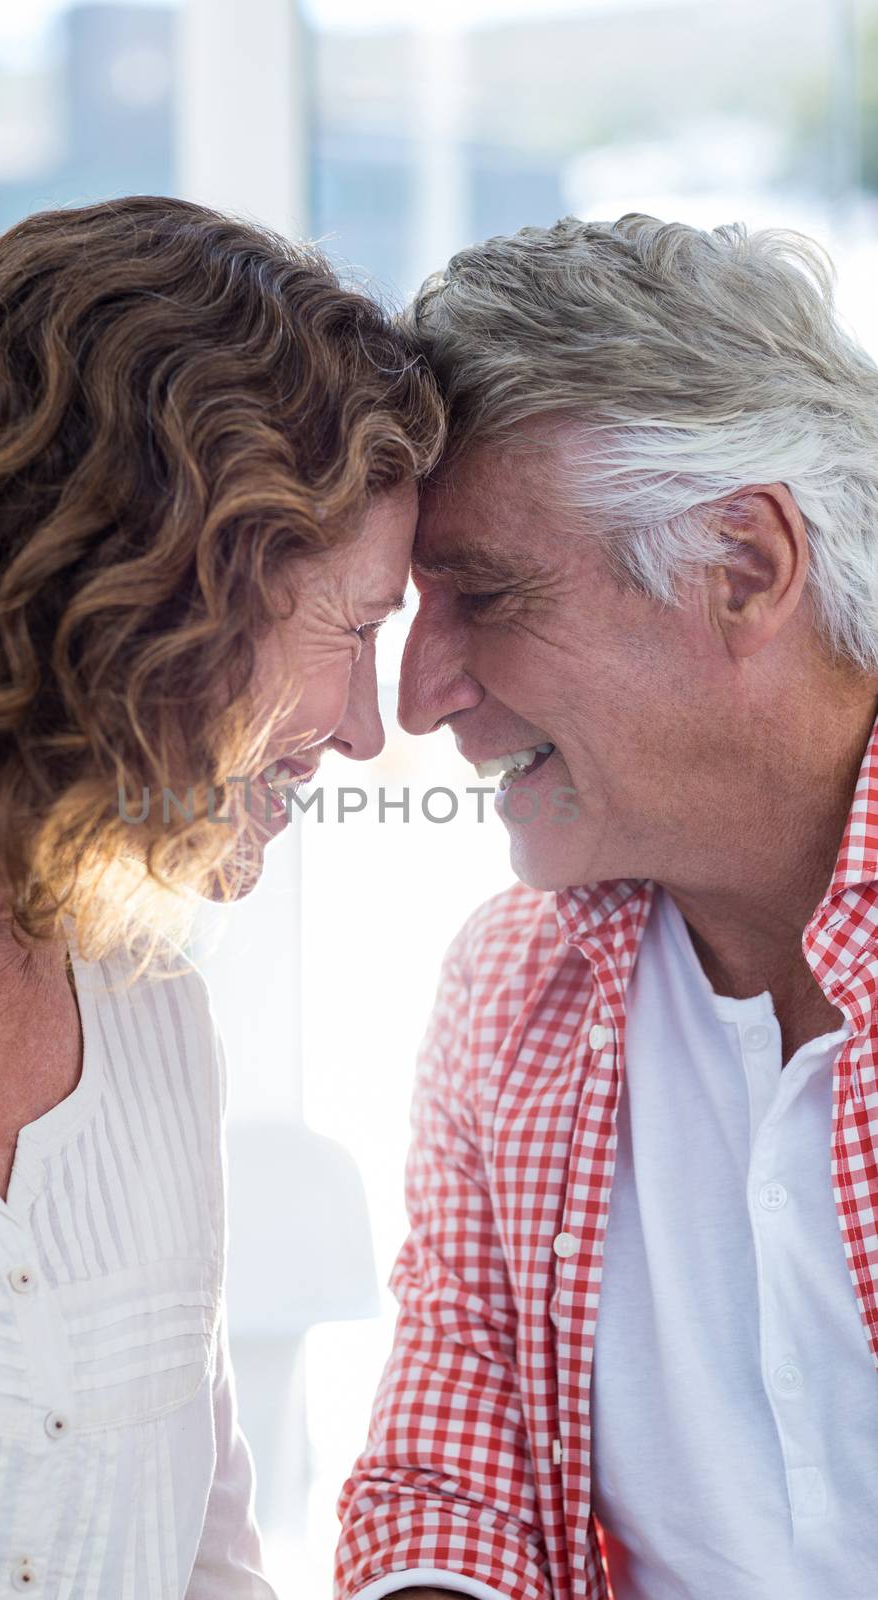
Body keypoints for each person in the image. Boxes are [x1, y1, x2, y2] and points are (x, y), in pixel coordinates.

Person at [0, 195, 444, 1598]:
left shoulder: (154, 1016)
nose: (365, 733)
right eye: (354, 628)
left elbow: (207, 1559)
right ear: (143, 582)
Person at [335, 215, 878, 1600]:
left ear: (744, 565)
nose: (417, 697)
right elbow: (448, 1486)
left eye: (483, 596)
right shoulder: (517, 985)